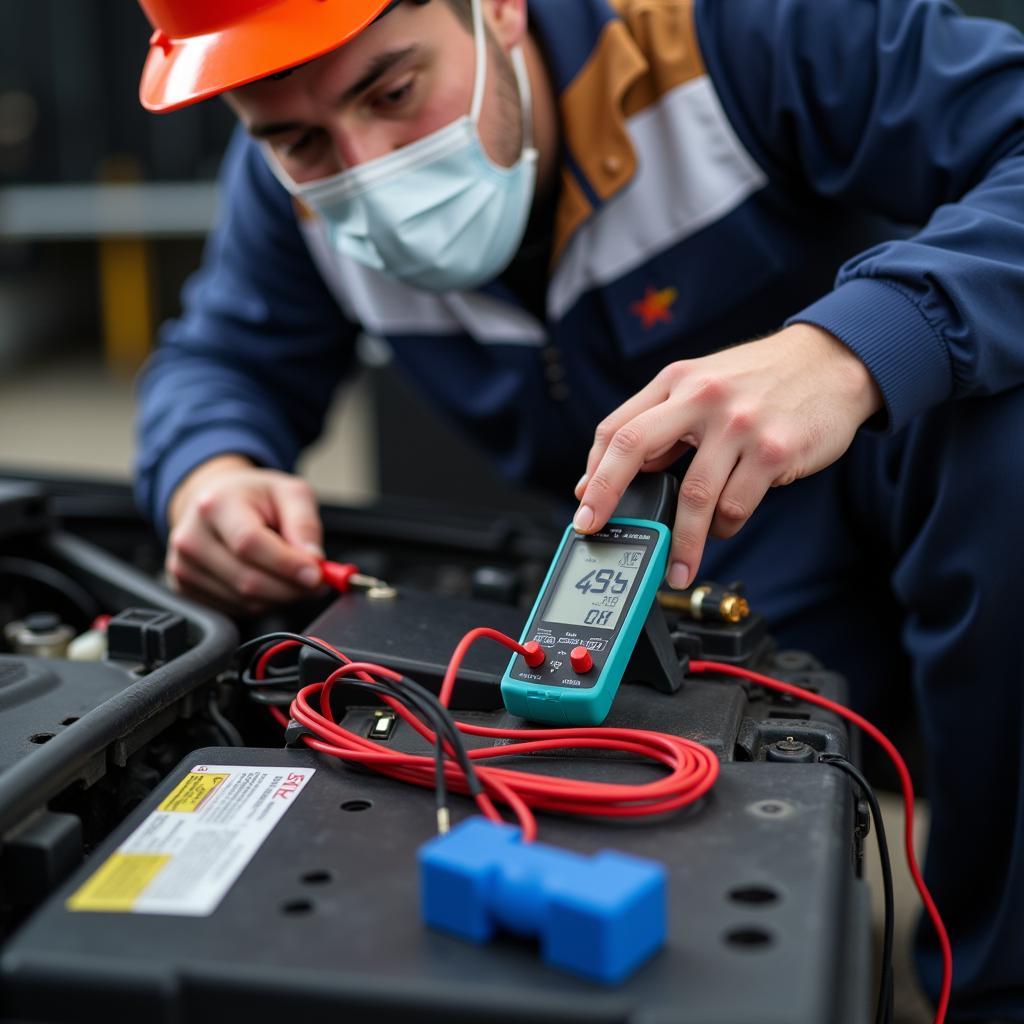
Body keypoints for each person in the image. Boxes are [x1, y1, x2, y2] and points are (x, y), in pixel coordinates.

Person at [133, 0, 1024, 1015]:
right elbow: (220, 358)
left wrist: (858, 344)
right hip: (677, 637)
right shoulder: (289, 186)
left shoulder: (730, 36)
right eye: (297, 139)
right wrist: (210, 468)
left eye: (392, 90)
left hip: (943, 581)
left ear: (499, 10)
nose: (364, 166)